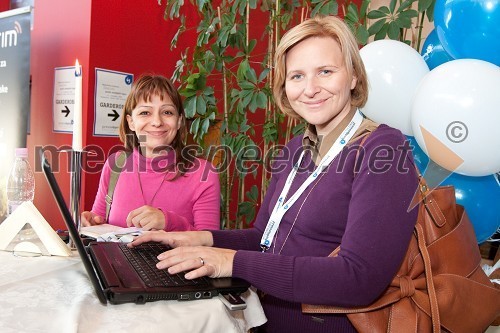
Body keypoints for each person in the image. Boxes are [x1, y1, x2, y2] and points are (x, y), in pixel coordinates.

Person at [130, 16, 419, 332]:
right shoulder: (297, 148)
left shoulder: (384, 150)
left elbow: (359, 278)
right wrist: (194, 239)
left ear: (352, 77)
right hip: (264, 319)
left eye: (325, 71)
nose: (310, 89)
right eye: (297, 76)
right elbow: (262, 238)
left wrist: (230, 261)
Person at [82, 74, 220, 231]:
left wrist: (169, 222)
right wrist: (92, 222)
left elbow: (211, 244)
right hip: (114, 256)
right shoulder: (115, 164)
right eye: (145, 113)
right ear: (131, 122)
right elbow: (99, 220)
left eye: (167, 112)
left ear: (179, 121)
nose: (157, 122)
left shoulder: (203, 174)